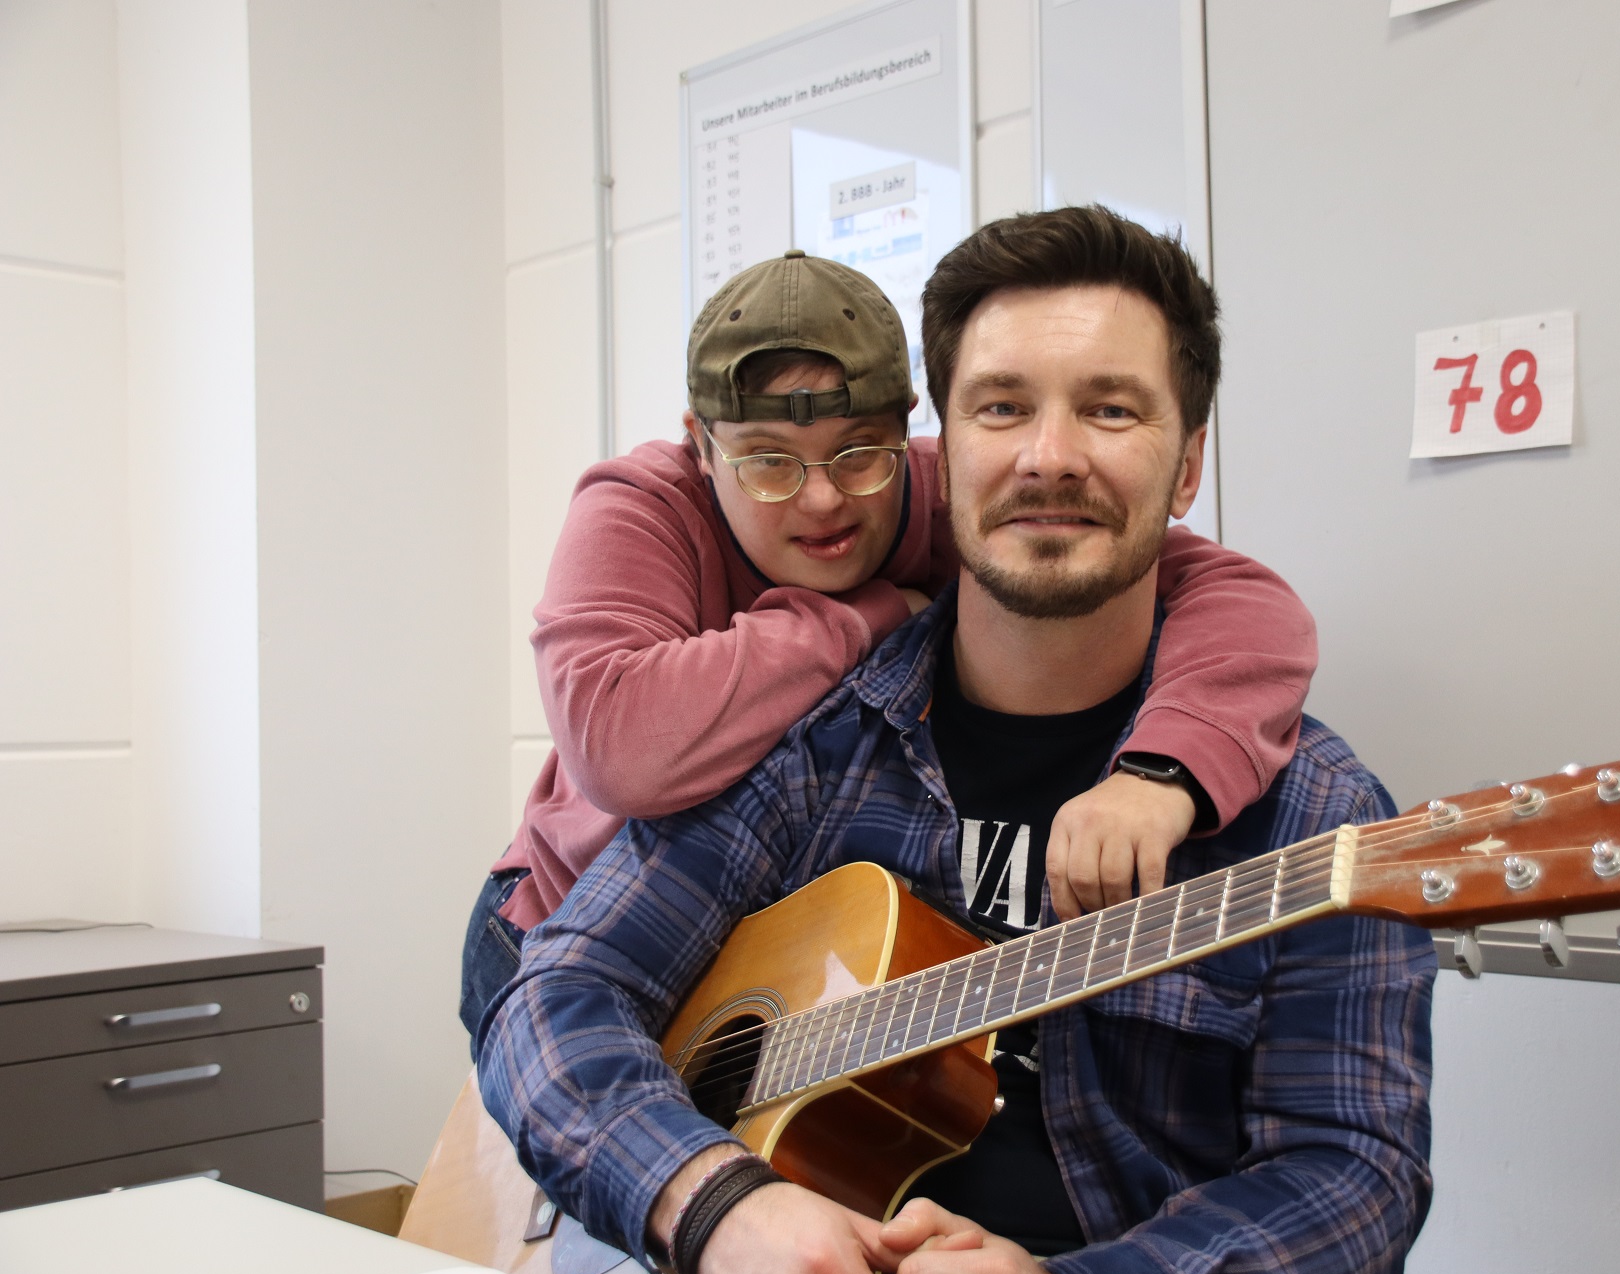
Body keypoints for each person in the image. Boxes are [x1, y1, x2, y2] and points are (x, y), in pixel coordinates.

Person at [476, 206, 1436, 1274]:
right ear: (953, 443)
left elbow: (1353, 1175)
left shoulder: (1320, 815)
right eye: (1002, 406)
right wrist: (717, 1203)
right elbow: (555, 998)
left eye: (1112, 409)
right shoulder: (808, 737)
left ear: (1187, 466)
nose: (1049, 456)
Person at [458, 246, 1322, 1039]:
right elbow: (621, 748)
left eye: (857, 452)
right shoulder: (640, 507)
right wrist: (865, 615)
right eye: (767, 461)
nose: (824, 501)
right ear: (700, 447)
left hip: (760, 953)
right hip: (558, 926)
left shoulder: (952, 494)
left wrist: (1161, 774)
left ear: (914, 435)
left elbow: (1240, 597)